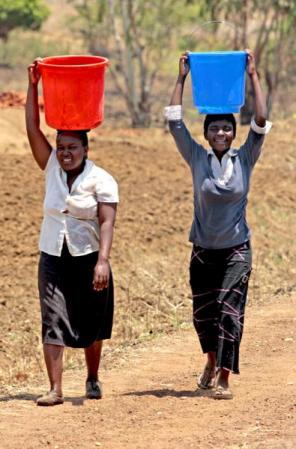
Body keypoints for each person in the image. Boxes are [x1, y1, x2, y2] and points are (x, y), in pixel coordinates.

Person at [164, 50, 272, 399]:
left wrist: (252, 75)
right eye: (215, 128)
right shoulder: (197, 157)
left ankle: (224, 377)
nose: (221, 132)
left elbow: (261, 118)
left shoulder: (246, 157)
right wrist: (182, 78)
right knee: (203, 315)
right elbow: (175, 122)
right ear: (207, 133)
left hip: (236, 250)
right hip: (203, 250)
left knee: (229, 312)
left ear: (233, 131)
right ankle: (210, 361)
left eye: (226, 127)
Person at [26, 60, 119, 406]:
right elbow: (34, 130)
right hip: (52, 254)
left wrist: (103, 262)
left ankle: (92, 377)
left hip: (88, 257)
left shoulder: (101, 179)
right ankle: (55, 389)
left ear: (85, 149)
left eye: (72, 148)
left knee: (91, 319)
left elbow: (107, 222)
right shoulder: (50, 166)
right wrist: (33, 86)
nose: (64, 154)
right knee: (52, 318)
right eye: (61, 147)